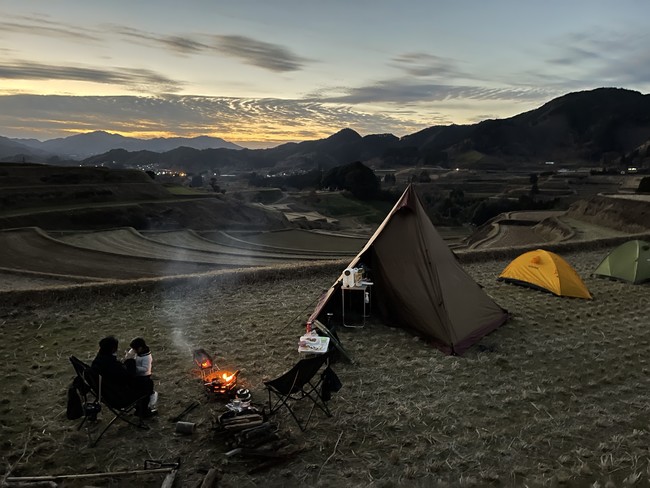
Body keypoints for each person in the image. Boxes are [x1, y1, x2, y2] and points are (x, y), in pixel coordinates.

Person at [91, 336, 153, 418]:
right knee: (147, 383)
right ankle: (143, 412)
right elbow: (129, 376)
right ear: (113, 349)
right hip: (119, 397)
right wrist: (130, 360)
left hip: (106, 393)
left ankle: (139, 409)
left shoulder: (98, 361)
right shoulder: (111, 364)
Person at [125, 337, 158, 414]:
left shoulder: (147, 357)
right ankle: (138, 408)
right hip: (138, 376)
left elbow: (145, 369)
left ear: (140, 348)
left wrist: (134, 368)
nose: (133, 351)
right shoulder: (138, 353)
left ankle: (145, 409)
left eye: (134, 349)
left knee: (145, 394)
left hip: (144, 377)